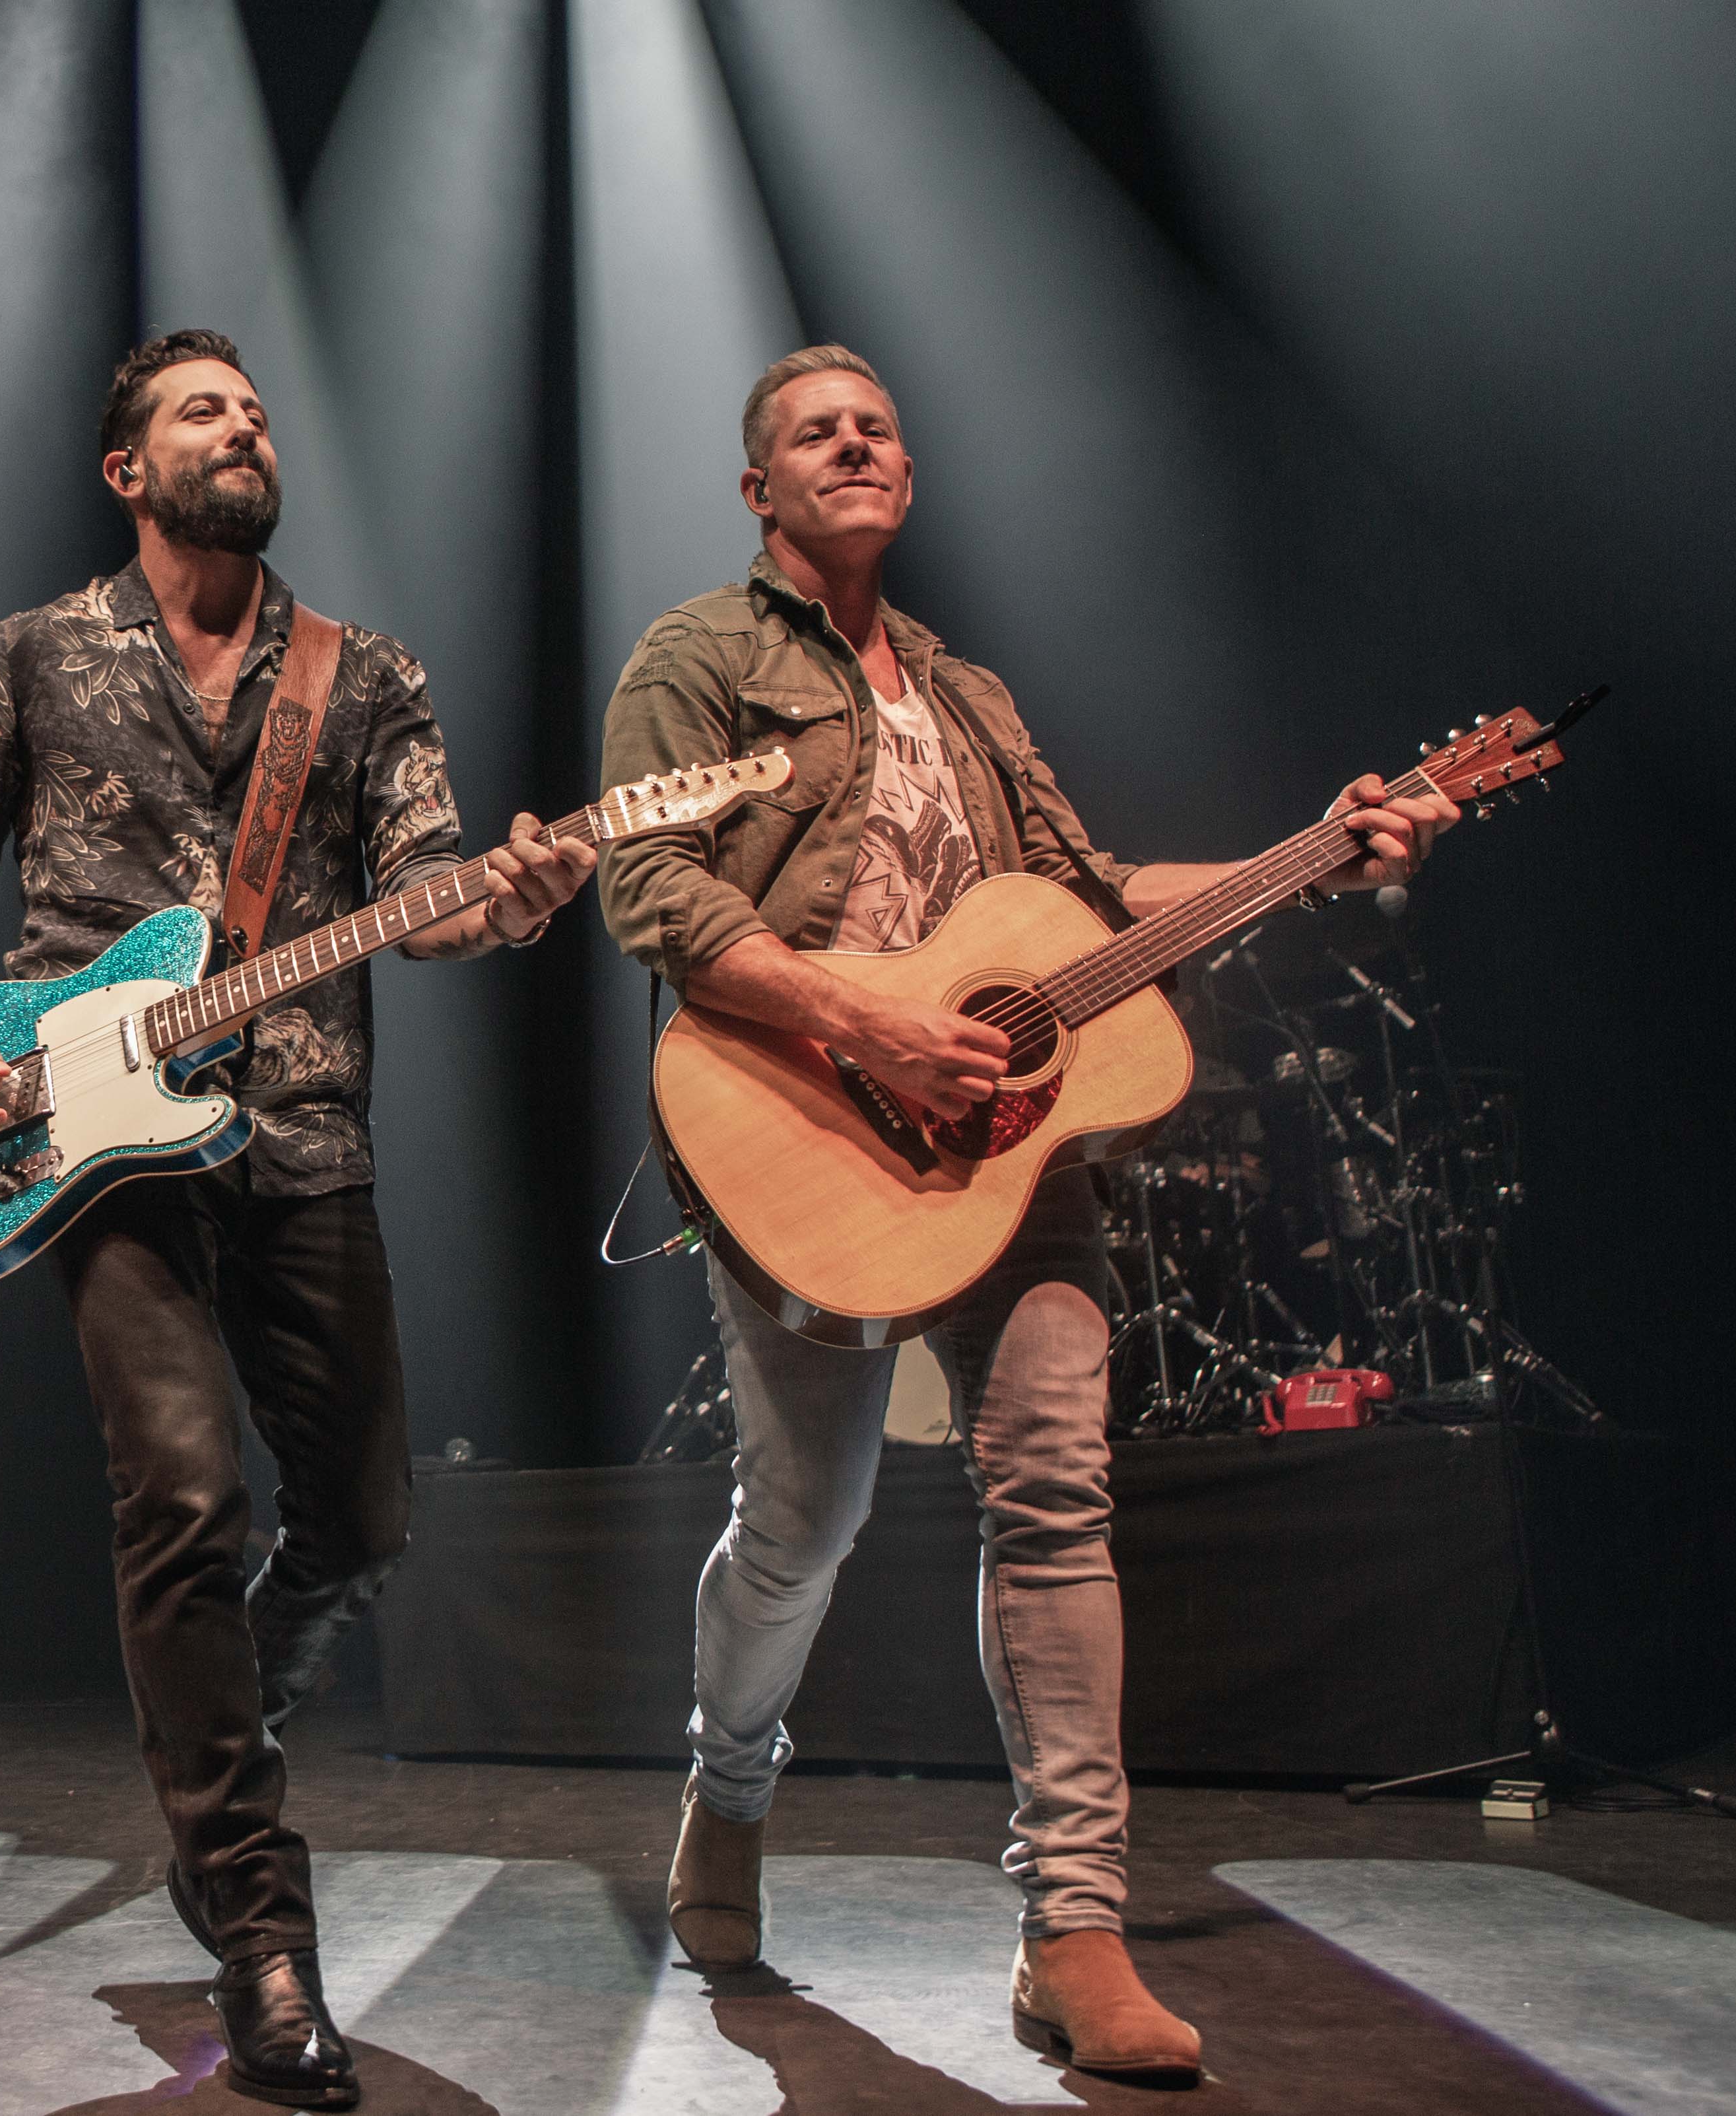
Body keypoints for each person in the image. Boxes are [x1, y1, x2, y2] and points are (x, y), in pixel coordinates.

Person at [595, 345, 1457, 2080]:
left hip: (1014, 1155)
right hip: (797, 1133)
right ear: (757, 488)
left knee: (1055, 1494)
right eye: (813, 431)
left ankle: (1073, 1927)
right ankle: (728, 1785)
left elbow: (1090, 901)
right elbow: (646, 883)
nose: (854, 441)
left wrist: (1314, 854)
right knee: (801, 1526)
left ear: (906, 476)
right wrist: (870, 1026)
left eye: (876, 426)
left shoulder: (971, 696)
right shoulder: (698, 657)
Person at [0, 329, 593, 2109]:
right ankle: (259, 1925)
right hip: (95, 1150)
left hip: (302, 1137)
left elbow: (424, 894)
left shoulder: (364, 676)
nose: (245, 426)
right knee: (183, 1493)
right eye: (205, 409)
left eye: (257, 409)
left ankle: (222, 1714)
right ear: (127, 468)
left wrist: (508, 901)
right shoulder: (37, 652)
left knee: (361, 1513)